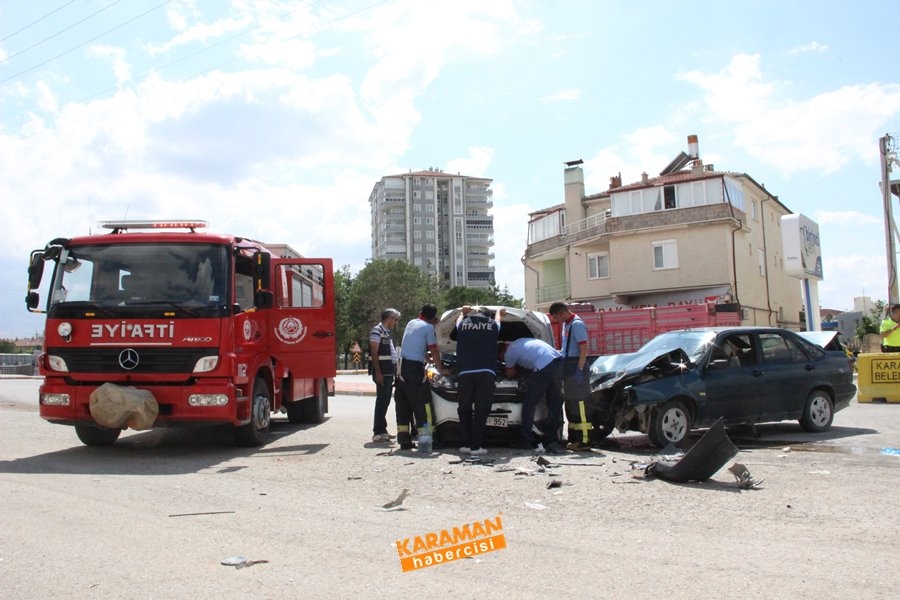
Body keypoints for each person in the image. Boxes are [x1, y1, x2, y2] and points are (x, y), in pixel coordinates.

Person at [453, 306, 504, 456]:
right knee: (482, 409)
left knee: (464, 408)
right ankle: (476, 447)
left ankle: (467, 444)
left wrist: (463, 313)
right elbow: (498, 321)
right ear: (488, 316)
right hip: (486, 373)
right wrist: (500, 312)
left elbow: (458, 321)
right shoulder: (492, 324)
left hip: (465, 373)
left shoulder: (463, 324)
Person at [395, 304, 446, 450]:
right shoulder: (429, 328)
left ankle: (404, 440)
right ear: (433, 318)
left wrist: (427, 359)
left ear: (420, 313)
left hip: (400, 367)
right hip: (414, 369)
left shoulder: (411, 323)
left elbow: (415, 343)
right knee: (424, 404)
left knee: (403, 404)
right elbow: (434, 349)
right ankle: (429, 440)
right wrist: (440, 368)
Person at [501, 337, 564, 453]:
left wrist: (510, 370)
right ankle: (551, 440)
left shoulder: (508, 353)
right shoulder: (519, 342)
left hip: (544, 365)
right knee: (554, 404)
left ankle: (526, 440)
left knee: (529, 404)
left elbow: (510, 374)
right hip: (558, 362)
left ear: (501, 352)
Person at [549, 302, 594, 451]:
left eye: (557, 317)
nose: (558, 320)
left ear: (561, 313)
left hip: (576, 366)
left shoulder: (577, 324)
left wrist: (580, 369)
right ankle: (574, 438)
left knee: (580, 405)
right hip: (568, 365)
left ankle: (584, 440)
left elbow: (583, 348)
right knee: (571, 404)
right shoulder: (566, 325)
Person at [369, 308, 400, 443]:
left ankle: (383, 430)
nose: (396, 322)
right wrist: (378, 372)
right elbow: (374, 353)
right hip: (382, 372)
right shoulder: (377, 331)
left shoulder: (386, 333)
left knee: (385, 401)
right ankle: (378, 432)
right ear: (390, 318)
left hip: (388, 371)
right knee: (382, 401)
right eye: (395, 319)